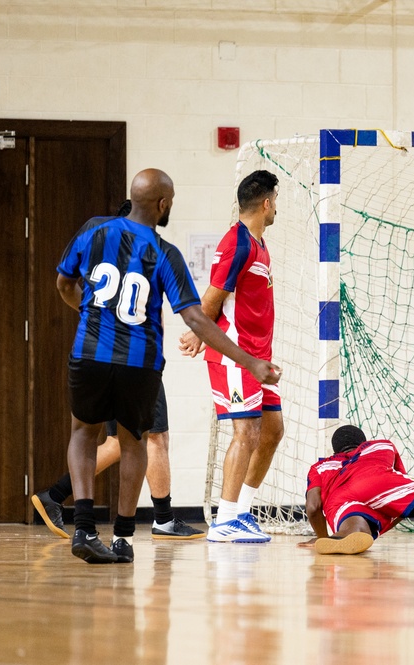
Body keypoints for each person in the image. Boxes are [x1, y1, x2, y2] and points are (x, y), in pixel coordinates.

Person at [57, 168, 280, 564]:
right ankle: (124, 538)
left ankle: (85, 528)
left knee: (83, 434)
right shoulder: (164, 252)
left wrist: (87, 312)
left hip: (89, 352)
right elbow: (195, 317)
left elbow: (63, 283)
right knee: (134, 442)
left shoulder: (93, 232)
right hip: (137, 361)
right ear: (162, 205)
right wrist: (248, 360)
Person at [178, 170, 284, 544]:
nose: (276, 208)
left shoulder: (259, 242)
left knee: (273, 431)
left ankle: (241, 512)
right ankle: (223, 521)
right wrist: (197, 332)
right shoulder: (237, 242)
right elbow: (213, 296)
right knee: (246, 432)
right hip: (236, 357)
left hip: (260, 359)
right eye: (276, 200)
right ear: (267, 203)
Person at [31, 382, 205, 541]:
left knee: (119, 443)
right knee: (154, 436)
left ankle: (55, 494)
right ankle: (163, 520)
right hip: (134, 361)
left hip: (110, 365)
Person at [302, 425, 414, 555]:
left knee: (357, 527)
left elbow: (313, 507)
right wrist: (389, 516)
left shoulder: (320, 466)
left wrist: (321, 536)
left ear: (335, 450)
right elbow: (399, 495)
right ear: (363, 441)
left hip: (340, 499)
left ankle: (343, 535)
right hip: (380, 482)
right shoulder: (381, 445)